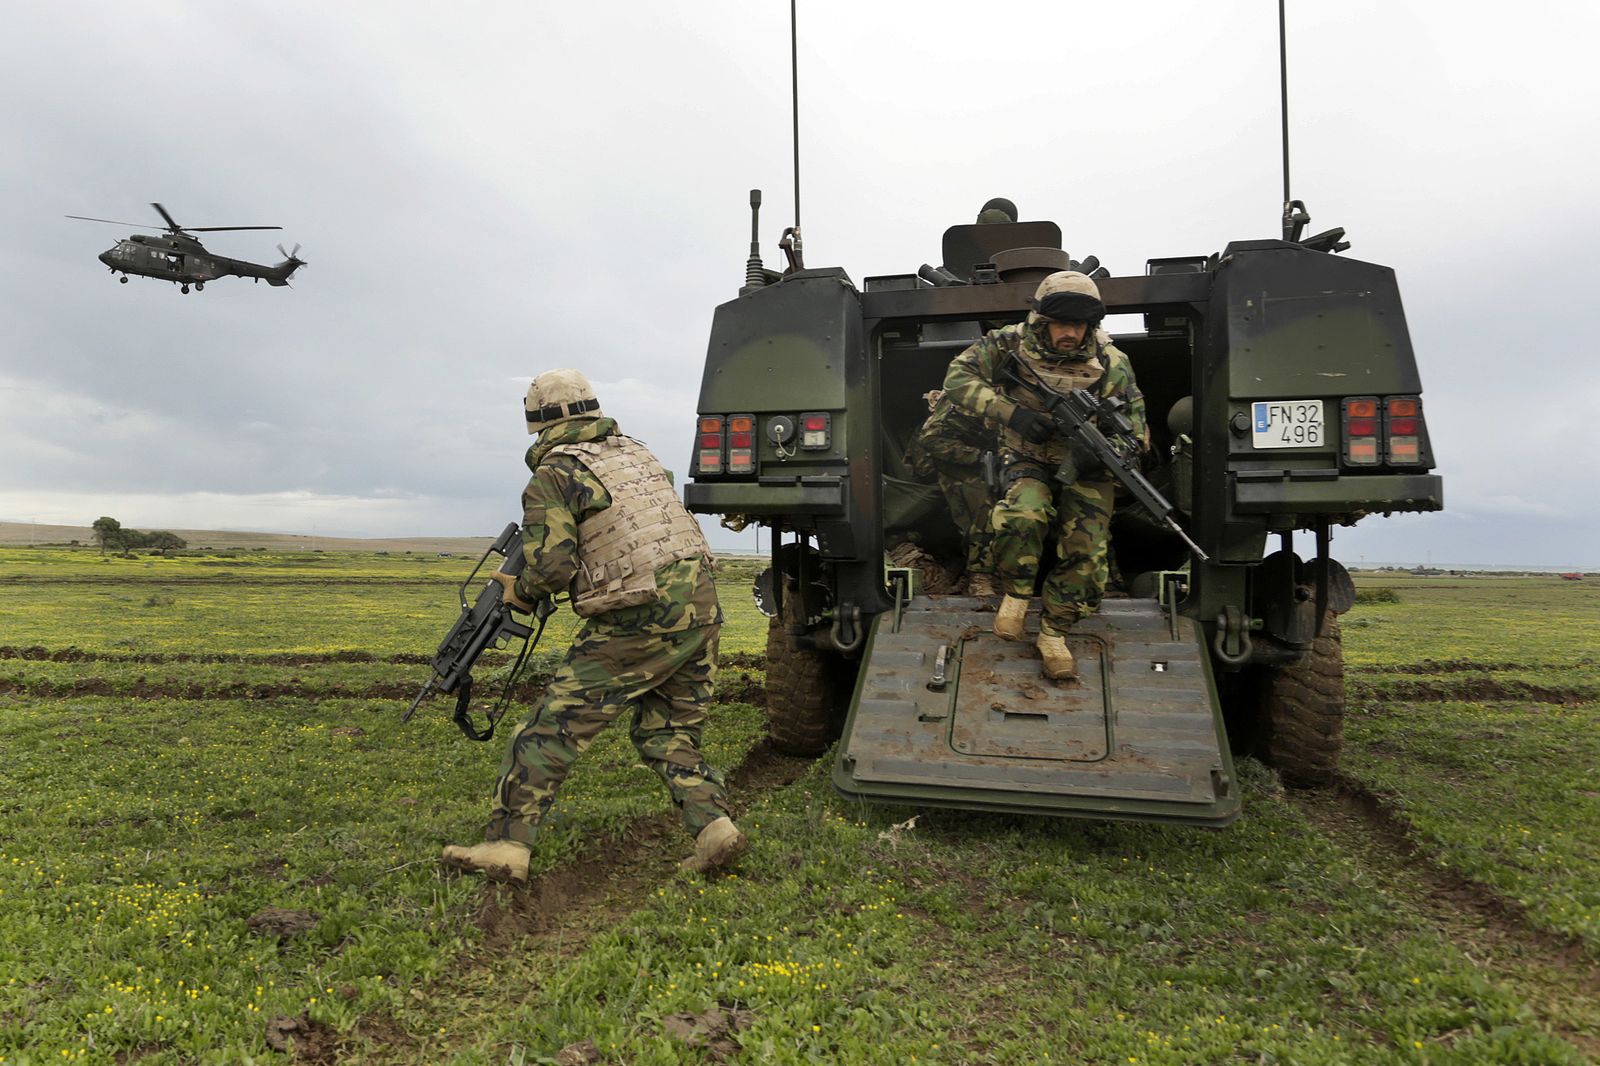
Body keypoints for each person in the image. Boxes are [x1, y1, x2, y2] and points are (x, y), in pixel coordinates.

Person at [441, 369, 747, 881]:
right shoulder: (640, 458)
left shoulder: (554, 475)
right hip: (701, 607)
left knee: (548, 730)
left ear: (534, 420)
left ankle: (506, 847)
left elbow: (552, 566)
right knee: (666, 729)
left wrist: (521, 590)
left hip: (640, 614)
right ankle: (714, 827)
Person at [941, 272, 1148, 679]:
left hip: (1087, 465)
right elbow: (957, 379)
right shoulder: (1008, 344)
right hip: (1026, 454)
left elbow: (1136, 432)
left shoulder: (1112, 362)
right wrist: (1012, 413)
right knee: (1023, 514)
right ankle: (1016, 595)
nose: (1070, 333)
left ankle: (1054, 633)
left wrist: (1106, 454)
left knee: (1087, 552)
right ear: (1041, 321)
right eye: (1061, 323)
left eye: (1080, 325)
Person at [904, 388, 1000, 596]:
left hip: (1001, 463)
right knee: (981, 518)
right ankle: (979, 577)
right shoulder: (958, 402)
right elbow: (929, 446)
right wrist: (978, 456)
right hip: (962, 470)